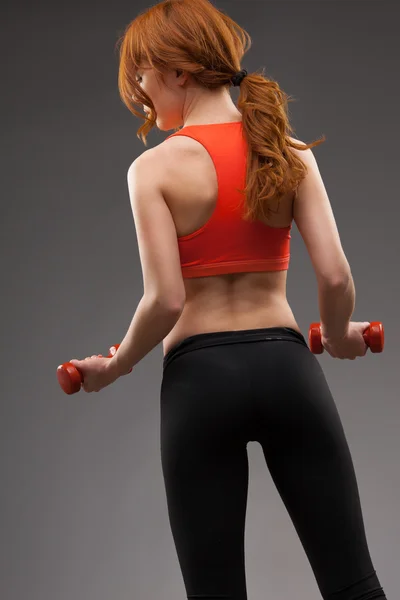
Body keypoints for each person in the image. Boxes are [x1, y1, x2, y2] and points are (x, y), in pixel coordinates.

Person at [116, 1, 388, 598]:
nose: (137, 90)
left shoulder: (153, 170)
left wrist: (116, 364)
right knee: (354, 585)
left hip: (199, 384)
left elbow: (164, 301)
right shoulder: (289, 151)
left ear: (179, 72)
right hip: (288, 371)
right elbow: (336, 279)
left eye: (141, 73)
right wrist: (341, 336)